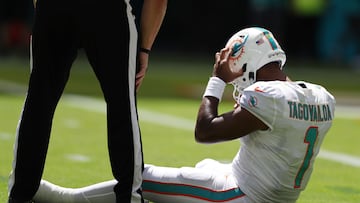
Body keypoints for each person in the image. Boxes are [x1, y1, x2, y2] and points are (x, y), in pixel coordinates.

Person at [32, 27, 335, 203]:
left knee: (141, 177)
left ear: (246, 59)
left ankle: (67, 199)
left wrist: (216, 79)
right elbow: (277, 116)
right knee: (206, 165)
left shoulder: (265, 98)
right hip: (274, 194)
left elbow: (204, 131)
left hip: (240, 195)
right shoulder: (323, 97)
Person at [7, 0, 167, 202]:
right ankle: (130, 197)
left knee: (38, 103)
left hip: (54, 8)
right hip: (106, 10)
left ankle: (20, 195)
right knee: (122, 106)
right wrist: (144, 49)